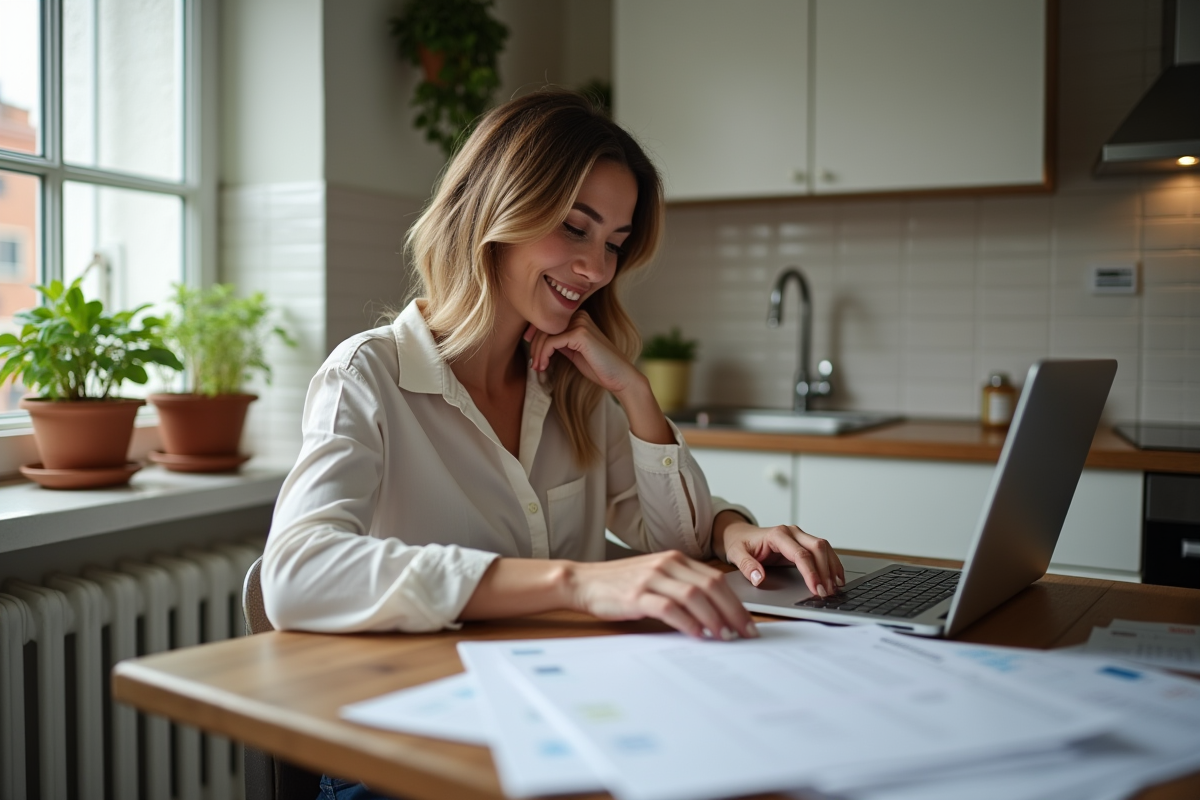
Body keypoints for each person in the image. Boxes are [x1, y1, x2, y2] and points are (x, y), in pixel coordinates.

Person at [263, 88, 843, 652]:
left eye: (615, 243)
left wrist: (638, 398)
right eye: (574, 227)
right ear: (497, 211)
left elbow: (676, 541)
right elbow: (296, 573)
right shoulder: (367, 376)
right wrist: (576, 582)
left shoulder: (573, 385)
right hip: (424, 699)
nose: (596, 268)